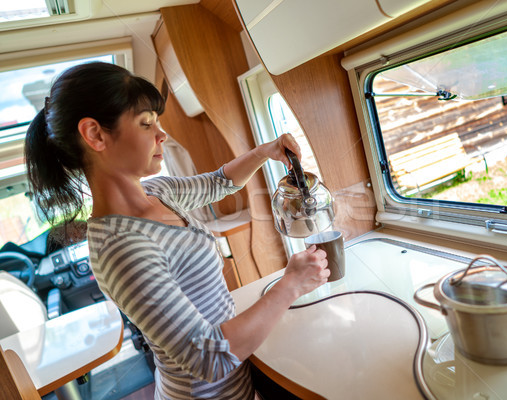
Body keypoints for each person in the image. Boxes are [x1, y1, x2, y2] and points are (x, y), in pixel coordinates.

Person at [25, 62, 329, 400]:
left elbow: (219, 182)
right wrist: (291, 285)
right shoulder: (120, 247)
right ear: (95, 135)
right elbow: (207, 357)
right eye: (146, 123)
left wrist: (265, 151)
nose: (162, 134)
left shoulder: (158, 191)